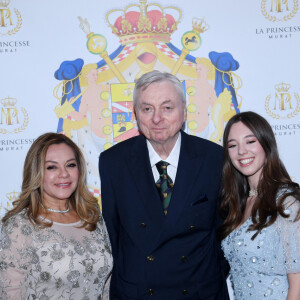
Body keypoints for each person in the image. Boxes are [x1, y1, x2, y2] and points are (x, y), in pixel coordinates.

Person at [99, 70, 229, 299]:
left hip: (200, 292)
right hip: (138, 292)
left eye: (167, 108)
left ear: (184, 110)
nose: (156, 118)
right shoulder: (113, 162)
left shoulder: (214, 158)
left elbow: (226, 233)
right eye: (147, 109)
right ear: (136, 114)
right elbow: (113, 234)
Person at [0, 133, 113, 299]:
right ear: (36, 172)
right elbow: (10, 293)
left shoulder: (92, 218)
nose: (64, 174)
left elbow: (106, 287)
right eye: (52, 167)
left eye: (70, 165)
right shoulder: (20, 226)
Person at [220, 111, 300, 299]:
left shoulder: (286, 202)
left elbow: (297, 285)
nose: (241, 151)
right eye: (233, 145)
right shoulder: (238, 204)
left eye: (250, 141)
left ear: (266, 143)